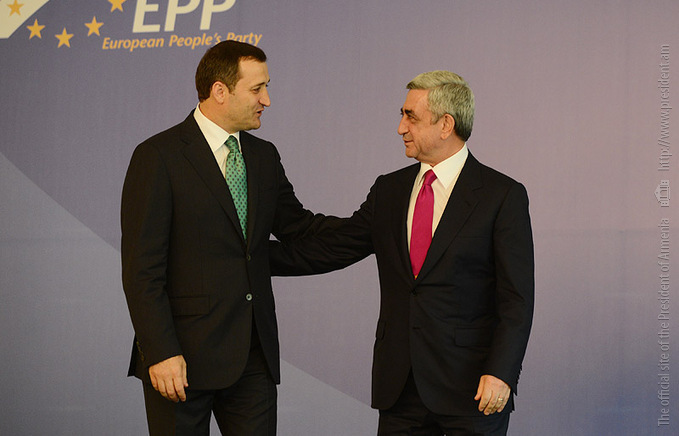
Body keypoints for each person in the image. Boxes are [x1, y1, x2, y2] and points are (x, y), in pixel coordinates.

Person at [272, 71, 534, 435]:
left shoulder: (501, 195)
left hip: (472, 388)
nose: (400, 128)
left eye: (411, 116)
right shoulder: (389, 190)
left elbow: (516, 299)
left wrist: (501, 373)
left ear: (446, 125)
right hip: (400, 390)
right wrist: (243, 258)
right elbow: (331, 248)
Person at [121, 40, 326, 435]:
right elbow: (142, 269)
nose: (267, 100)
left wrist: (374, 228)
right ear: (220, 91)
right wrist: (161, 352)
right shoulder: (158, 156)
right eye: (257, 89)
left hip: (253, 358)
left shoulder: (264, 156)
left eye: (266, 88)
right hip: (181, 361)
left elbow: (301, 229)